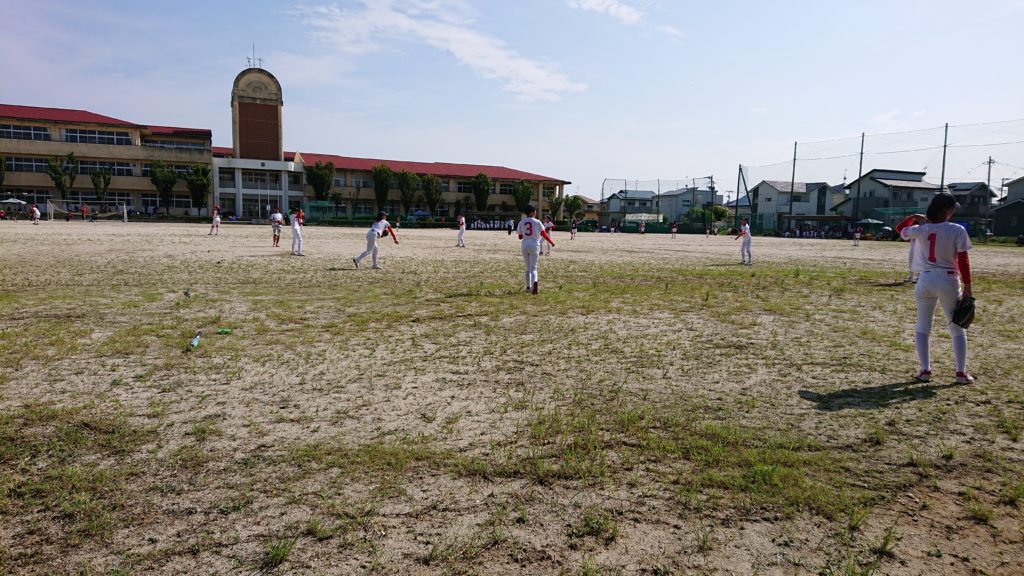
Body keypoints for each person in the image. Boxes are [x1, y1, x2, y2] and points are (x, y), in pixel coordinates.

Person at [895, 193, 974, 384]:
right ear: (946, 210)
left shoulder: (921, 229)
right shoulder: (957, 229)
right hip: (948, 280)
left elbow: (899, 229)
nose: (953, 211)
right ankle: (960, 373)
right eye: (952, 208)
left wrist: (914, 218)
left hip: (926, 279)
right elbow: (963, 260)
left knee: (923, 326)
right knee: (956, 327)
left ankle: (925, 371)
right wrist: (968, 285)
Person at [517, 204, 554, 294]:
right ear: (533, 212)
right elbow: (544, 234)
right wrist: (551, 242)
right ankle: (535, 282)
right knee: (534, 268)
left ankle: (528, 287)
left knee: (527, 268)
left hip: (525, 245)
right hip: (534, 245)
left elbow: (520, 236)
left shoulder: (522, 222)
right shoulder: (537, 222)